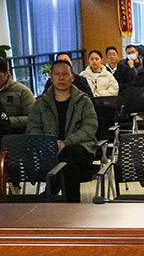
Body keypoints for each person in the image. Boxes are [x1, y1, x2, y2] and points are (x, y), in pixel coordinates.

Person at [26, 59, 99, 203]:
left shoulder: (83, 101)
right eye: (57, 74)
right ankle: (72, 206)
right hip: (49, 151)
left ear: (72, 77)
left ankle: (50, 194)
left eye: (65, 74)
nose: (61, 78)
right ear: (51, 77)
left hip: (81, 149)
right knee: (69, 166)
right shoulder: (41, 103)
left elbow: (90, 127)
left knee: (68, 154)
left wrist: (65, 143)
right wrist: (50, 144)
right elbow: (33, 128)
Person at [0, 57, 34, 133]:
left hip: (16, 133)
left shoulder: (22, 91)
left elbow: (33, 118)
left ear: (6, 73)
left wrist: (6, 121)